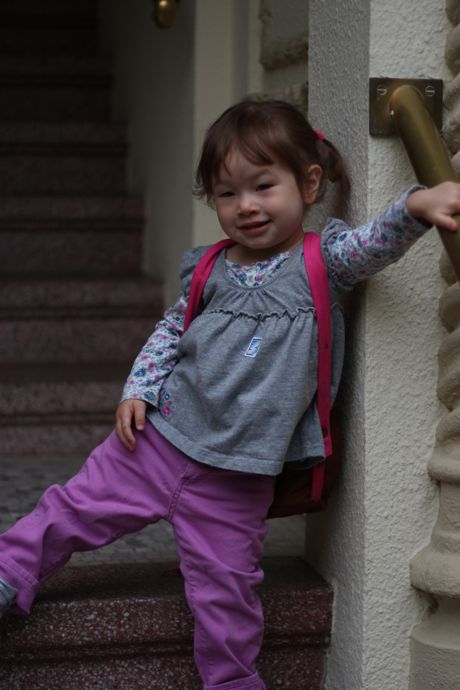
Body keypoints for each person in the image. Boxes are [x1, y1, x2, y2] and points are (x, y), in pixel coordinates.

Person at [0, 98, 459, 690]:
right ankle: (9, 570)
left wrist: (417, 207)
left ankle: (232, 681)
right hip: (158, 438)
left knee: (226, 595)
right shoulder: (209, 268)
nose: (245, 207)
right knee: (70, 509)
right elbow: (171, 329)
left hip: (240, 473)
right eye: (225, 193)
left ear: (309, 183)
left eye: (263, 186)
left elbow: (375, 243)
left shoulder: (323, 262)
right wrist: (137, 387)